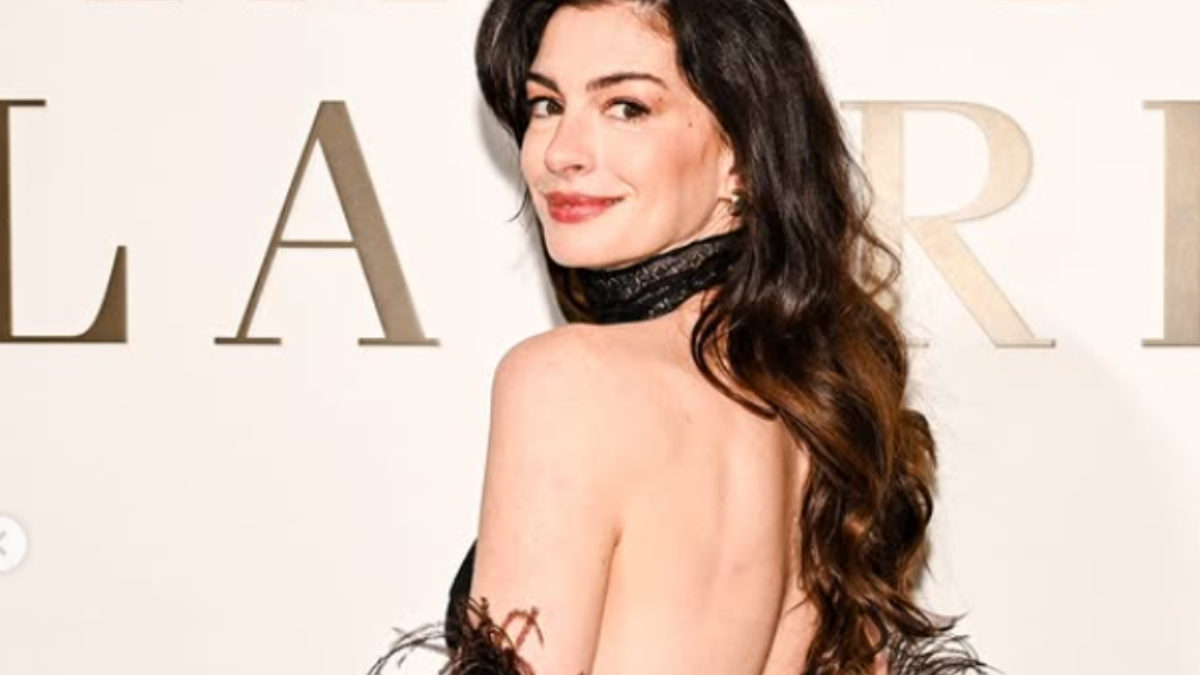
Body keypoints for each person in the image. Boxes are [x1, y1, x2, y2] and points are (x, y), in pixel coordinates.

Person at [371, 1, 992, 673]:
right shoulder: (821, 407)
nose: (559, 152)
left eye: (626, 107)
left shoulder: (568, 381)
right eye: (546, 105)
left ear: (742, 158)